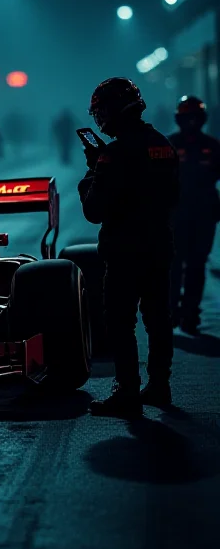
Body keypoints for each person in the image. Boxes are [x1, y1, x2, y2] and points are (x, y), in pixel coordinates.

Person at [78, 77, 179, 417]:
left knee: (120, 321)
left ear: (111, 111)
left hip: (124, 251)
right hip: (158, 245)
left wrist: (92, 172)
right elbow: (174, 196)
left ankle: (127, 390)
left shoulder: (114, 154)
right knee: (158, 319)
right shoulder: (162, 144)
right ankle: (160, 385)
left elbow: (94, 210)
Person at [168, 96, 220, 334]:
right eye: (186, 117)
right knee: (175, 265)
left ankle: (189, 313)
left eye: (194, 117)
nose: (190, 122)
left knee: (196, 265)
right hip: (177, 214)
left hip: (202, 215)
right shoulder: (168, 146)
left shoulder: (213, 146)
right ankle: (172, 311)